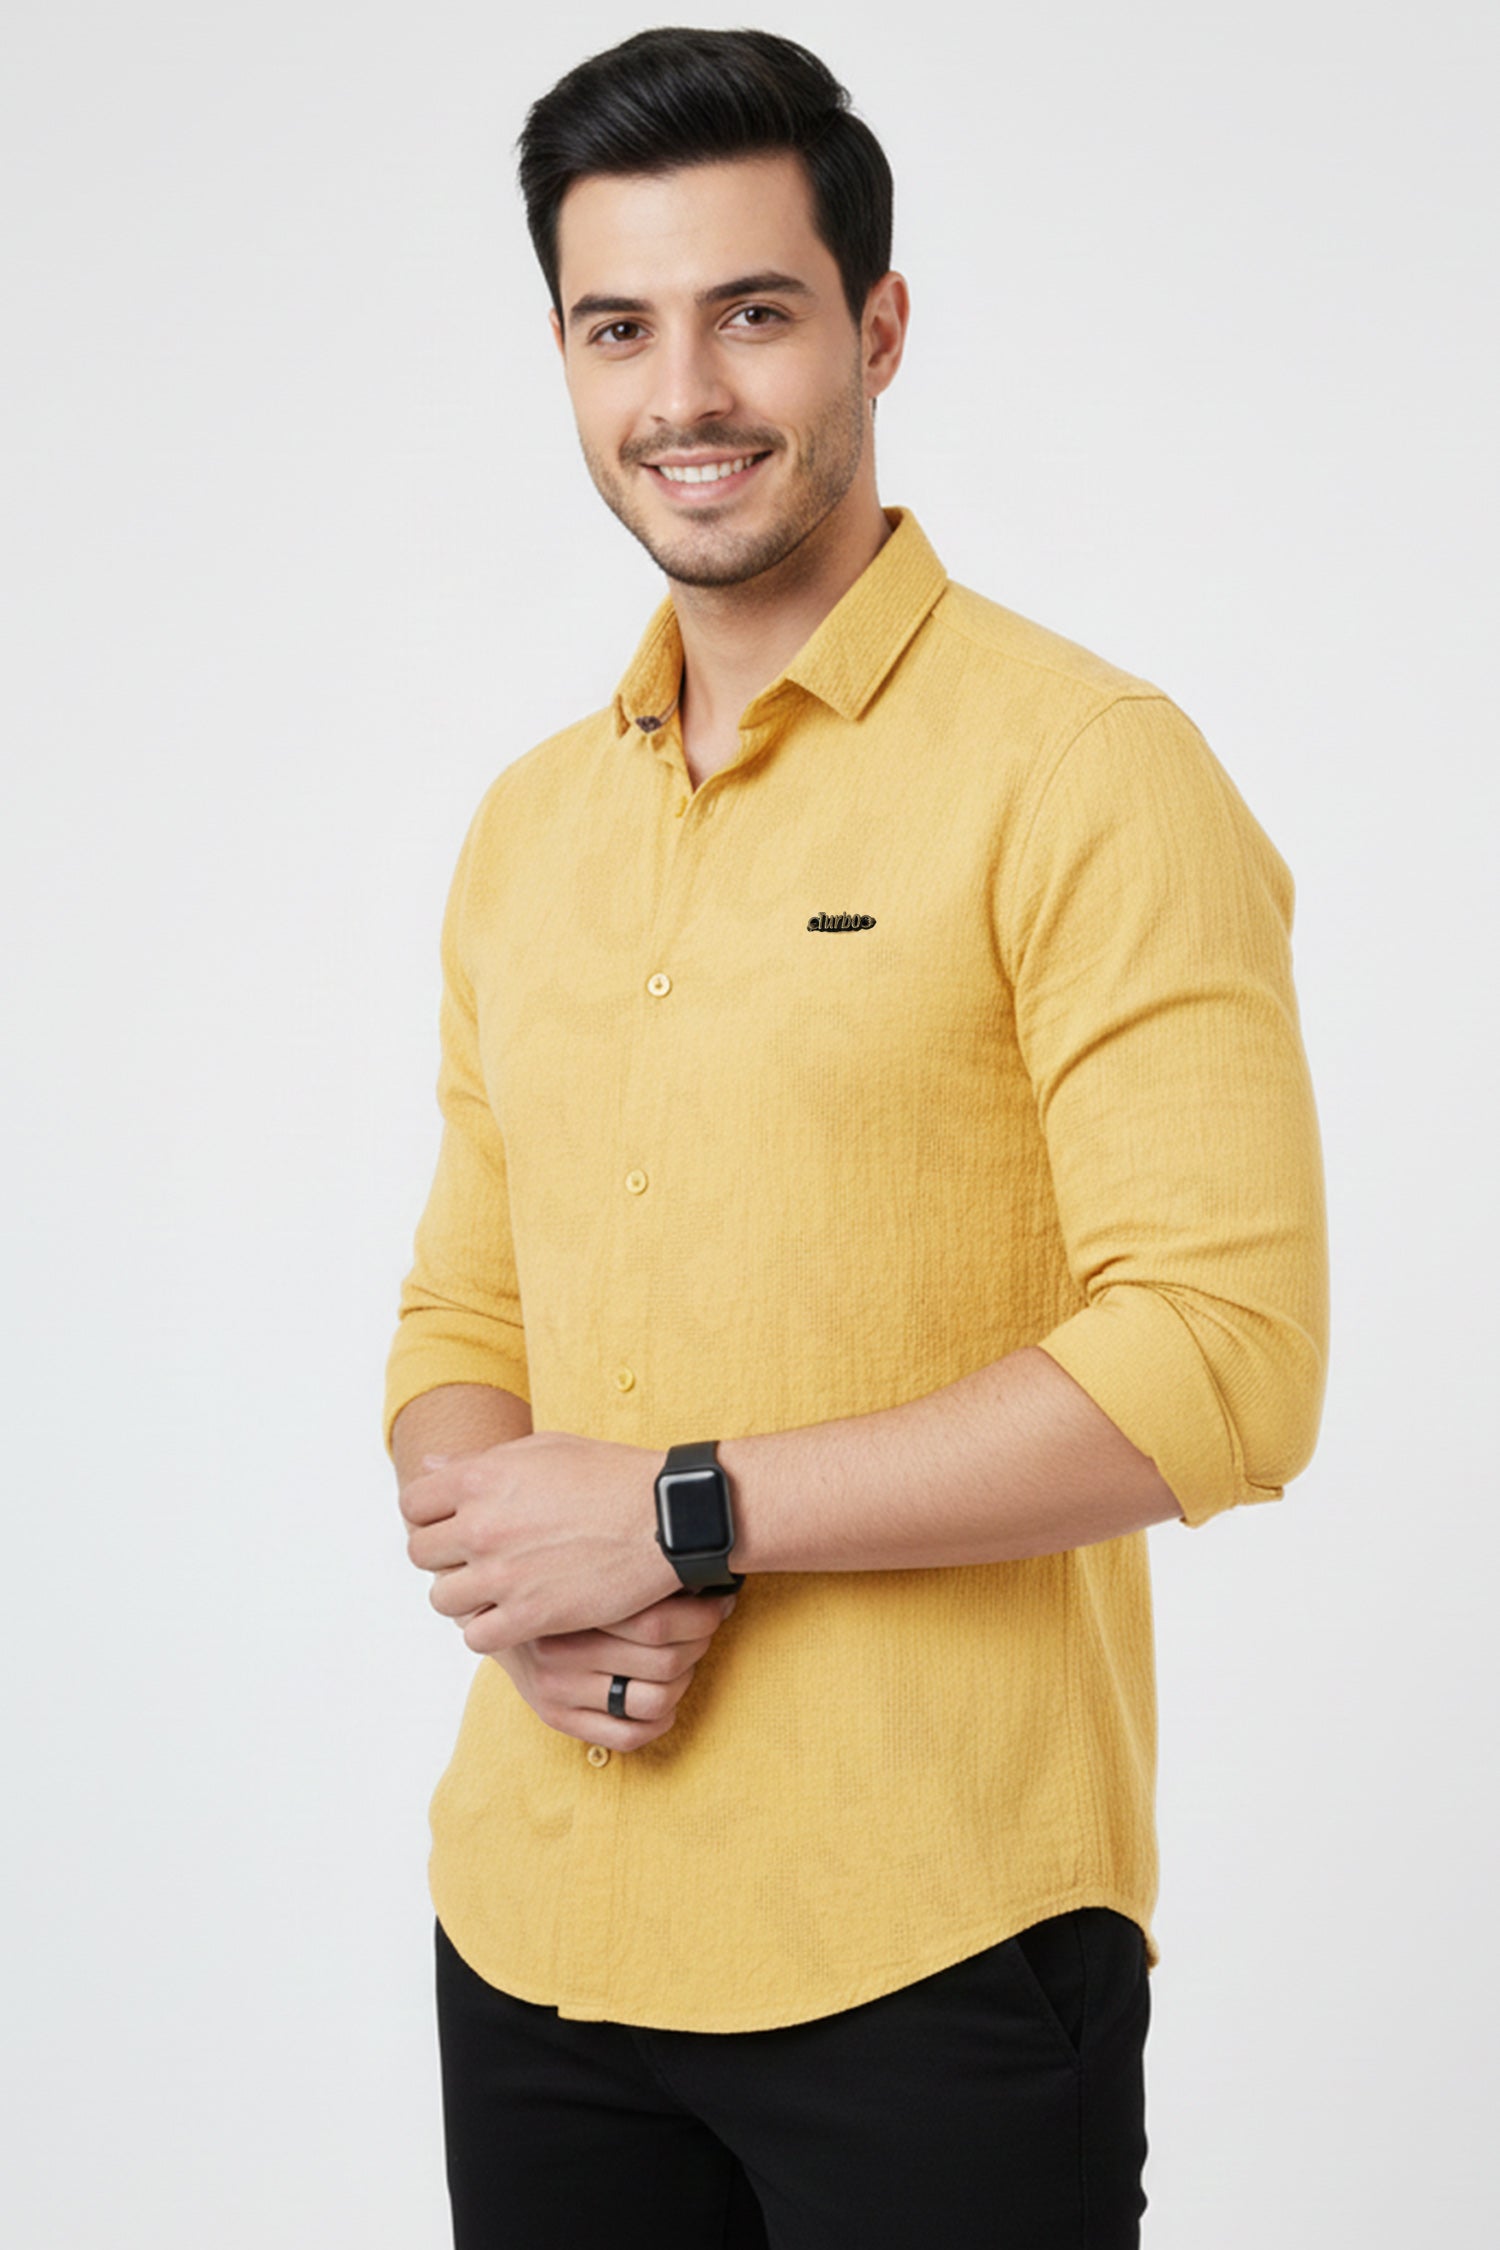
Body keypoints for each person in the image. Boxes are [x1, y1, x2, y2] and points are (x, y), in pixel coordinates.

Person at [383, 26, 1329, 2249]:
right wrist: (521, 1584)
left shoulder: (1086, 768)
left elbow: (1226, 1358)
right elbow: (461, 1306)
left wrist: (679, 1516)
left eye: (753, 311)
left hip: (932, 1947)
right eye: (619, 327)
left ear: (877, 328)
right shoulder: (528, 825)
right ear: (564, 355)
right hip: (536, 1930)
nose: (686, 393)